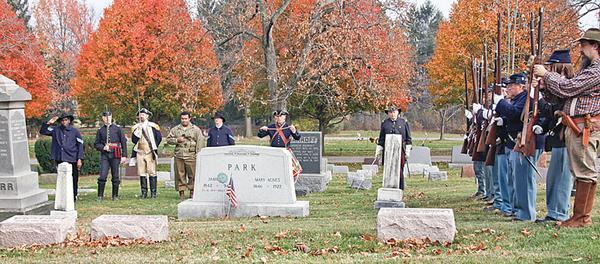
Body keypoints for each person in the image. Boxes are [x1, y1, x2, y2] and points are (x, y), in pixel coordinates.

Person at [533, 28, 600, 227]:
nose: (580, 49)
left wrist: (546, 74)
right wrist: (546, 85)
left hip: (584, 126)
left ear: (595, 46)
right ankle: (579, 216)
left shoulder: (597, 70)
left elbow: (568, 87)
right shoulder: (589, 70)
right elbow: (564, 94)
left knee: (584, 172)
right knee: (580, 171)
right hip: (577, 125)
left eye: (584, 45)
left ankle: (582, 218)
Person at [534, 49, 575, 223]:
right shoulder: (559, 85)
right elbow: (552, 109)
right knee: (554, 177)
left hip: (565, 134)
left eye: (553, 66)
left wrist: (543, 99)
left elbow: (555, 108)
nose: (549, 70)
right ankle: (553, 211)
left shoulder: (568, 84)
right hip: (557, 136)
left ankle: (559, 212)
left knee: (562, 177)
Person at [495, 73, 539, 221]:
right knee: (514, 179)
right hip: (513, 142)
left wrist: (501, 103)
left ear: (521, 86)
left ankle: (526, 213)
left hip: (523, 142)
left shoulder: (525, 99)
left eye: (511, 86)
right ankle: (516, 210)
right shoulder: (517, 99)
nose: (508, 88)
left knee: (524, 180)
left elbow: (515, 113)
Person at [39, 113, 84, 201]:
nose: (64, 122)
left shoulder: (75, 131)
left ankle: (73, 196)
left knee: (74, 178)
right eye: (62, 120)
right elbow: (43, 131)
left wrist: (79, 159)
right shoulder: (56, 130)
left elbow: (80, 145)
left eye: (66, 120)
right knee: (62, 177)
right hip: (60, 157)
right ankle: (62, 195)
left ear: (69, 121)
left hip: (72, 157)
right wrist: (49, 123)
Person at [166, 111, 204, 200]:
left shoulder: (196, 129)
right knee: (180, 175)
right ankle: (181, 192)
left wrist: (198, 154)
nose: (184, 120)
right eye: (182, 119)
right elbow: (168, 139)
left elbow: (200, 142)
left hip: (191, 155)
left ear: (189, 119)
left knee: (193, 175)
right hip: (179, 155)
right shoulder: (175, 129)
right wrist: (177, 140)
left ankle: (192, 191)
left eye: (186, 118)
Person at [375, 106, 412, 190]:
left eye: (394, 112)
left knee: (399, 169)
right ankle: (388, 186)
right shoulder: (384, 123)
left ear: (398, 112)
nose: (392, 114)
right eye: (390, 112)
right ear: (388, 113)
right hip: (388, 150)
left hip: (401, 150)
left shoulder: (403, 122)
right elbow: (381, 139)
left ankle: (400, 187)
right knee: (388, 168)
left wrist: (407, 151)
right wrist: (378, 151)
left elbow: (408, 139)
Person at [94, 111, 128, 201]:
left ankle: (115, 196)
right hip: (105, 155)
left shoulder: (118, 129)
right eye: (105, 116)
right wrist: (103, 147)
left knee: (115, 175)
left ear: (111, 117)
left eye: (109, 116)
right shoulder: (100, 130)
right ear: (103, 118)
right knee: (102, 175)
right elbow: (96, 144)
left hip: (116, 154)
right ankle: (100, 196)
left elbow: (123, 142)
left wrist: (124, 155)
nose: (107, 118)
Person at [130, 108, 162, 198]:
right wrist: (138, 131)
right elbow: (134, 140)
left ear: (147, 116)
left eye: (143, 114)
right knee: (141, 172)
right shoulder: (136, 127)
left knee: (152, 172)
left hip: (149, 152)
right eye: (140, 114)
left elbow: (158, 138)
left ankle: (153, 193)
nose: (141, 116)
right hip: (140, 152)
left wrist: (153, 147)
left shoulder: (153, 126)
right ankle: (144, 193)